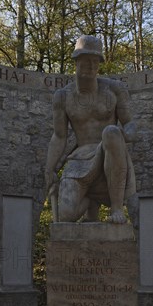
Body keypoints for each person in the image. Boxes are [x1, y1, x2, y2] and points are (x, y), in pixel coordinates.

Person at [45, 35, 136, 224]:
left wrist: (129, 132)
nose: (92, 66)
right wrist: (49, 169)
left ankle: (117, 208)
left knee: (111, 132)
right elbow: (59, 136)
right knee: (66, 216)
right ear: (76, 61)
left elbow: (129, 122)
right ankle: (90, 200)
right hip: (80, 159)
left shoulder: (114, 89)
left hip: (108, 151)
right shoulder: (62, 97)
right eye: (86, 60)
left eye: (96, 61)